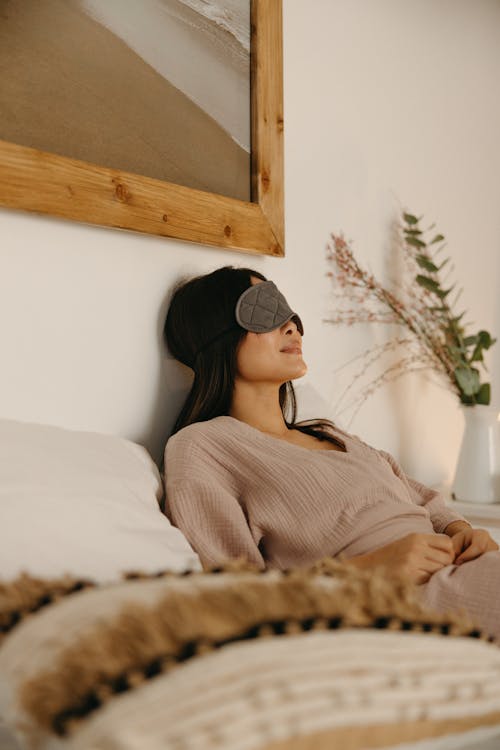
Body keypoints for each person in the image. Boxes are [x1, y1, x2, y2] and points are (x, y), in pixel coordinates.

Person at [163, 265, 500, 639]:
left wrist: (465, 531)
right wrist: (368, 569)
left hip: (463, 566)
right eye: (264, 310)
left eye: (289, 312)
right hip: (395, 602)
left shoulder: (331, 434)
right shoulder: (203, 447)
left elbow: (421, 496)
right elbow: (238, 594)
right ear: (216, 336)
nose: (292, 326)